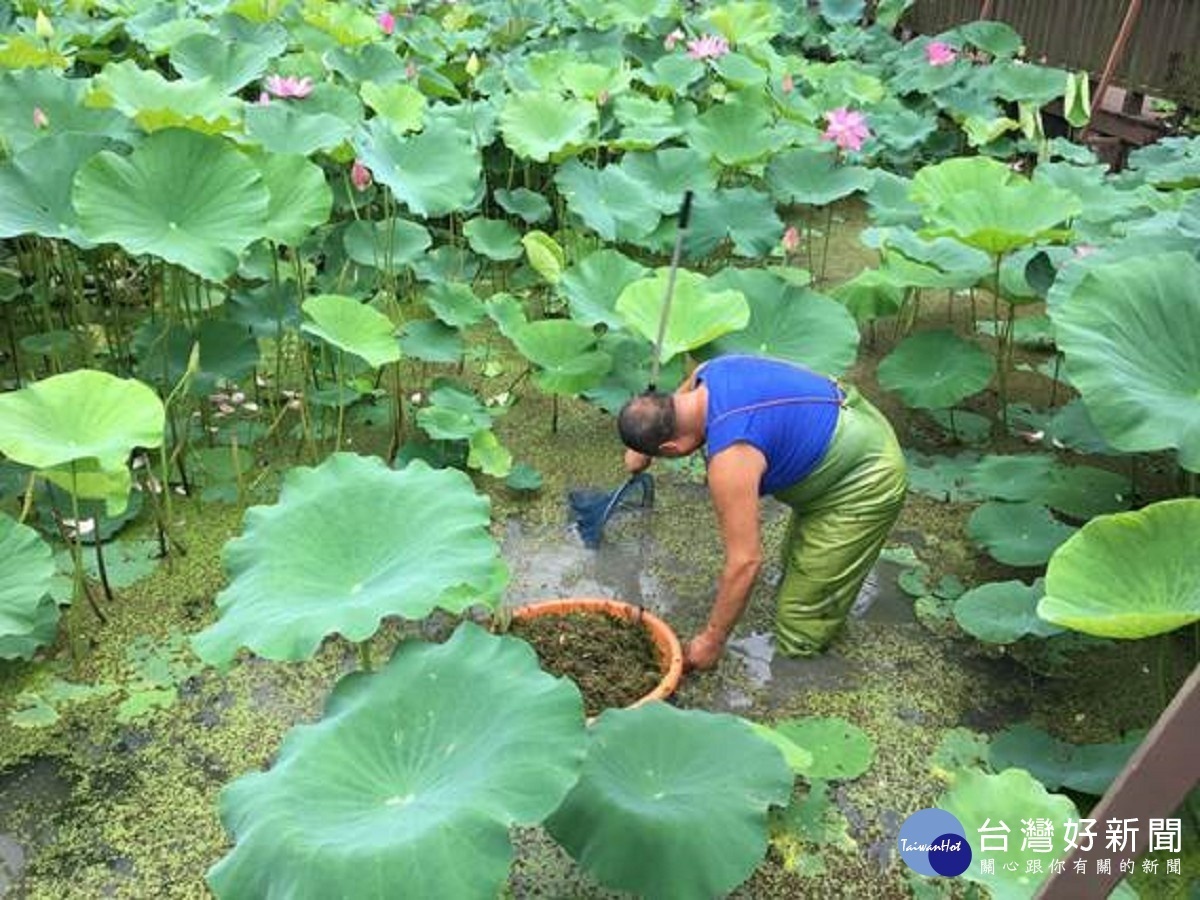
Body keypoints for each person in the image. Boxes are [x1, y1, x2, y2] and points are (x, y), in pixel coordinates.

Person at [617, 354, 907, 670]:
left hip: (864, 478)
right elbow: (675, 398)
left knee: (800, 622)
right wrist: (640, 449)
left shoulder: (731, 457)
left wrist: (711, 640)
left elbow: (746, 561)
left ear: (671, 450)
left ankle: (803, 675)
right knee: (795, 565)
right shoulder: (709, 372)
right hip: (852, 420)